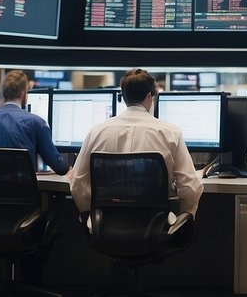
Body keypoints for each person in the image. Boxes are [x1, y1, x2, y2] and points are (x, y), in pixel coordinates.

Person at [69, 69, 203, 219]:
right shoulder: (170, 133)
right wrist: (186, 215)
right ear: (148, 97)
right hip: (155, 225)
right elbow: (190, 187)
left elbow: (77, 183)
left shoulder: (96, 132)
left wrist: (90, 216)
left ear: (124, 96)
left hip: (107, 226)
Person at [0, 70, 70, 175]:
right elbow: (60, 167)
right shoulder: (38, 123)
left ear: (3, 93)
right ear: (23, 93)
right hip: (22, 190)